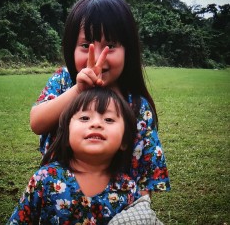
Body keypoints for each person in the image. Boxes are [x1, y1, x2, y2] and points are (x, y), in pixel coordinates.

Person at [30, 0, 170, 196]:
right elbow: (37, 123)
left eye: (110, 46)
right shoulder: (64, 80)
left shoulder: (137, 106)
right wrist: (78, 90)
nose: (97, 58)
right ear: (71, 48)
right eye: (86, 46)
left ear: (127, 50)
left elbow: (144, 176)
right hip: (59, 198)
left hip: (113, 208)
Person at [8, 87, 141, 224]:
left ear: (124, 141)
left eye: (108, 119)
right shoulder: (46, 178)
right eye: (84, 118)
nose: (96, 124)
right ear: (66, 136)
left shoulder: (129, 189)